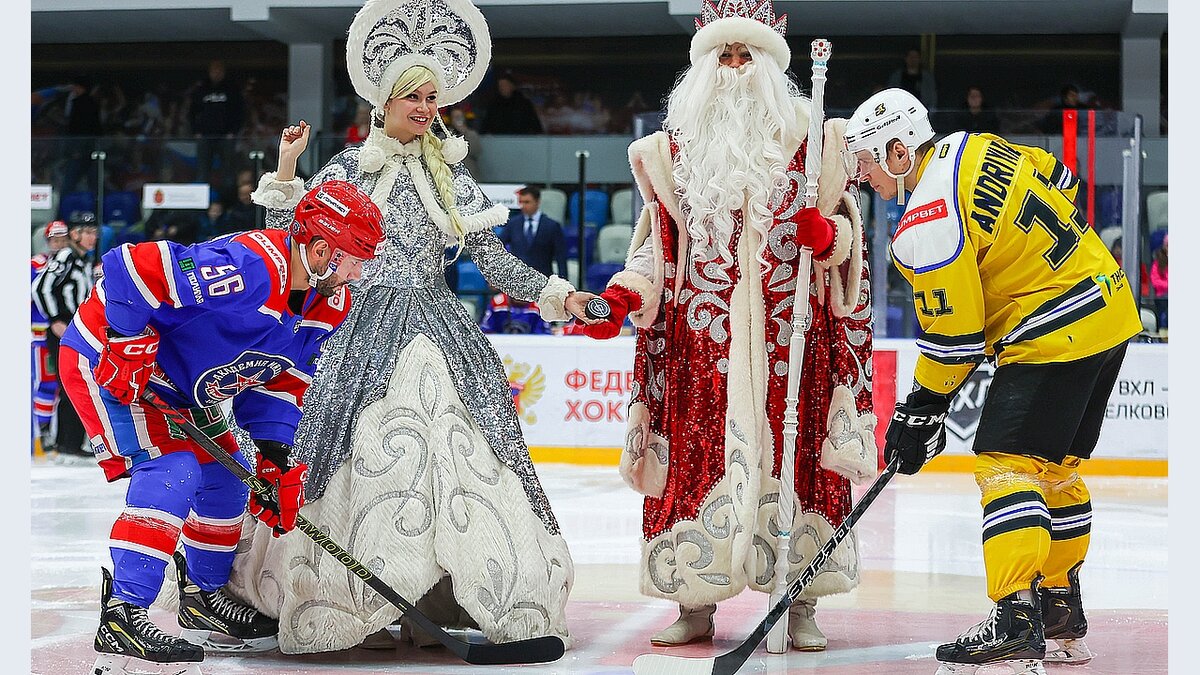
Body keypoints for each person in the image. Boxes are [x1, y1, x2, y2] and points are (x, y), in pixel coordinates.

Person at [226, 0, 591, 654]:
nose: (425, 107)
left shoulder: (450, 172)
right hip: (358, 332)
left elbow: (496, 261)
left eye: (432, 97)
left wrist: (560, 295)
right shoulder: (344, 169)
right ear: (385, 100)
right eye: (414, 96)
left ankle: (433, 602)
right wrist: (286, 171)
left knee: (452, 469)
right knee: (366, 465)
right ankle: (352, 605)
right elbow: (294, 247)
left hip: (438, 325)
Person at [579, 0, 875, 651]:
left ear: (771, 64)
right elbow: (653, 248)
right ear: (705, 65)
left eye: (748, 55)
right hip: (698, 348)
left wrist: (829, 236)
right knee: (693, 466)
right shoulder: (671, 152)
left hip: (790, 344)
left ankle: (800, 604)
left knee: (797, 468)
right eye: (725, 55)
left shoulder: (814, 138)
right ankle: (694, 598)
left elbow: (850, 239)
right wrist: (624, 298)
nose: (736, 67)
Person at [844, 87, 1142, 674]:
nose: (864, 176)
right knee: (1054, 470)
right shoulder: (976, 147)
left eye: (869, 160)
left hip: (1054, 329)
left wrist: (919, 410)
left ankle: (1016, 622)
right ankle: (1060, 612)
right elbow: (1061, 179)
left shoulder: (925, 220)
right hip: (1110, 309)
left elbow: (954, 339)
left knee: (1004, 465)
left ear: (900, 152)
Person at [57, 179, 386, 675]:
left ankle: (201, 595)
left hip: (186, 387)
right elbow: (128, 267)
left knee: (229, 476)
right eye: (355, 259)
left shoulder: (329, 304)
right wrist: (125, 342)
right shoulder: (249, 269)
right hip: (107, 365)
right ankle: (124, 612)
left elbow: (280, 383)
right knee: (174, 469)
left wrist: (274, 459)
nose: (358, 274)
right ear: (320, 249)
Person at [33, 212, 100, 462]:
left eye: (95, 232)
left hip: (78, 331)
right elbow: (41, 287)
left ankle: (72, 442)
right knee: (71, 384)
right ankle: (66, 443)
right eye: (89, 232)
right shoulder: (66, 256)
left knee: (79, 383)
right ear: (76, 234)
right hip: (66, 330)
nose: (94, 237)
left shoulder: (81, 259)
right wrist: (55, 319)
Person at [31, 220, 71, 454]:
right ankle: (41, 432)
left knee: (54, 385)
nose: (59, 243)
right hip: (37, 335)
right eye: (55, 239)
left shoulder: (66, 263)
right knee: (44, 384)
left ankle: (48, 432)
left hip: (55, 334)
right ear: (47, 241)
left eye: (62, 238)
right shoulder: (36, 265)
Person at [190, 59, 245, 184]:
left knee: (228, 170)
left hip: (226, 136)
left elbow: (240, 112)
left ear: (223, 72)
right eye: (214, 70)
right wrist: (196, 131)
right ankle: (203, 196)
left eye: (219, 70)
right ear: (210, 72)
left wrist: (233, 132)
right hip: (205, 136)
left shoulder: (232, 89)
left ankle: (228, 198)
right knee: (202, 170)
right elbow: (192, 112)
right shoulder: (201, 89)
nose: (216, 73)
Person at [497, 186, 570, 279]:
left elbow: (561, 257)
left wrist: (563, 282)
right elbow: (498, 246)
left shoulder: (551, 226)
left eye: (527, 202)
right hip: (517, 280)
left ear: (537, 202)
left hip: (543, 279)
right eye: (521, 202)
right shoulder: (513, 224)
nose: (523, 206)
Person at [480, 73, 544, 134]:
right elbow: (486, 125)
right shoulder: (494, 105)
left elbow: (535, 125)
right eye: (500, 86)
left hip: (521, 140)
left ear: (512, 86)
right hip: (499, 140)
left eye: (505, 85)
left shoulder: (524, 104)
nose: (502, 88)